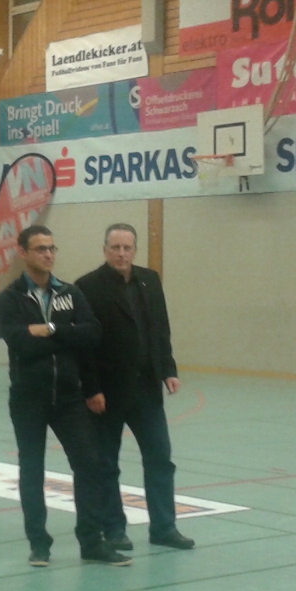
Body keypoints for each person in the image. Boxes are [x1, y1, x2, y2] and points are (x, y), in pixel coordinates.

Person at [0, 225, 130, 568]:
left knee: (88, 464)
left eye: (51, 248)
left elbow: (92, 333)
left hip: (69, 398)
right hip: (28, 398)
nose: (48, 254)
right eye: (40, 249)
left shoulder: (70, 292)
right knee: (32, 470)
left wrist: (51, 330)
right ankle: (39, 544)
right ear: (23, 253)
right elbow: (21, 343)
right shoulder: (11, 298)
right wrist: (66, 337)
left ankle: (91, 541)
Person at [75, 224, 194, 551]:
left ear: (134, 250)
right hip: (107, 393)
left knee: (160, 458)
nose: (121, 253)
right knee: (106, 464)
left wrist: (168, 369)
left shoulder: (149, 280)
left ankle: (164, 528)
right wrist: (91, 389)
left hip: (146, 390)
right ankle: (114, 529)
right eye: (115, 247)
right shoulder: (87, 286)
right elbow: (84, 345)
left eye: (127, 247)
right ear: (105, 250)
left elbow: (160, 329)